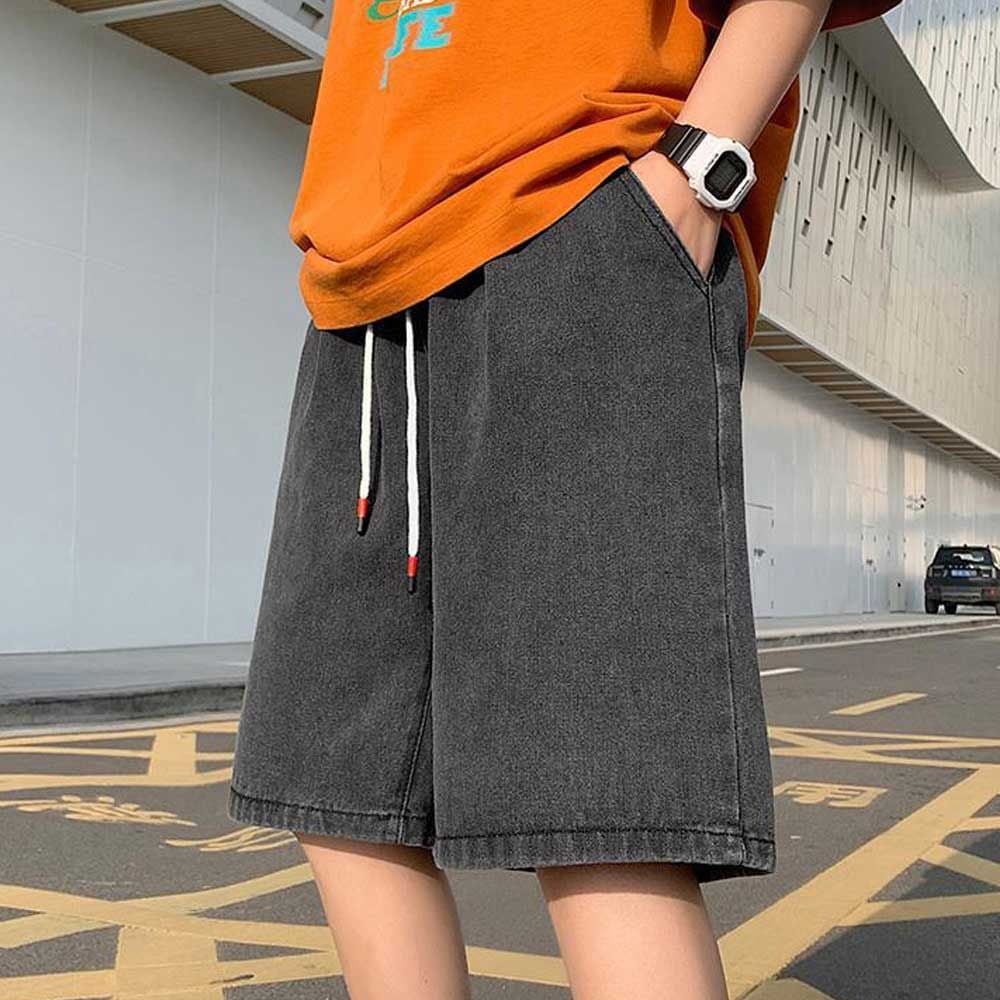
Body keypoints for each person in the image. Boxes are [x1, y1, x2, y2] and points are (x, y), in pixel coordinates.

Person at [228, 0, 901, 994]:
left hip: (576, 207)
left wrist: (696, 170)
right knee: (334, 786)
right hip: (363, 274)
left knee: (602, 814)